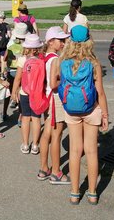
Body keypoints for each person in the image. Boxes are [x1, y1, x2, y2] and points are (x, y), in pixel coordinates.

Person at [56, 25, 109, 205]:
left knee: (75, 151)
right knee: (92, 151)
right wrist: (105, 115)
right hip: (91, 109)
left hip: (71, 110)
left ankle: (74, 192)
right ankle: (93, 193)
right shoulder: (93, 64)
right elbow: (100, 92)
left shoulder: (62, 62)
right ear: (88, 41)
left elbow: (56, 83)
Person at [37, 26, 70, 185]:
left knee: (47, 134)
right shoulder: (54, 59)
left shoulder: (45, 56)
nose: (63, 43)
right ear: (51, 41)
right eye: (61, 40)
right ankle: (56, 172)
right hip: (55, 99)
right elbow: (53, 83)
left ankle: (44, 169)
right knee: (57, 136)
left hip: (46, 98)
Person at [11, 34, 45, 154]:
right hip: (37, 93)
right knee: (36, 119)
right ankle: (35, 145)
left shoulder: (22, 60)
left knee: (25, 118)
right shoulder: (42, 59)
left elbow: (18, 78)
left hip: (24, 92)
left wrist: (14, 92)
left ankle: (25, 145)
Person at [2, 22, 28, 120]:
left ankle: (4, 112)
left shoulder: (11, 44)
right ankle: (21, 116)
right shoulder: (26, 45)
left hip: (10, 70)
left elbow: (5, 58)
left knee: (8, 92)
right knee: (20, 92)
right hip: (21, 71)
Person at [0, 11, 11, 75]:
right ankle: (2, 72)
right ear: (4, 17)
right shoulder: (7, 25)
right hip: (4, 44)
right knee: (3, 57)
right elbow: (9, 35)